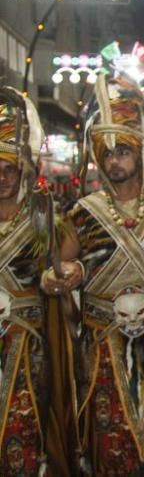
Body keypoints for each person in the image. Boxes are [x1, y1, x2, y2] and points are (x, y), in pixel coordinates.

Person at [44, 75, 144, 476]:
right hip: (104, 344)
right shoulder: (81, 212)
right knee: (111, 437)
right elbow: (58, 265)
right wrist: (64, 274)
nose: (113, 162)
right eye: (106, 154)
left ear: (141, 154)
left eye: (123, 151)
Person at [0, 93, 51, 474]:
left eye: (9, 169)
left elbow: (58, 271)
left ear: (23, 171)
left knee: (24, 426)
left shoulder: (41, 218)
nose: (1, 178)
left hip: (25, 346)